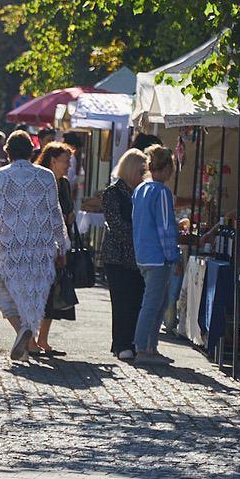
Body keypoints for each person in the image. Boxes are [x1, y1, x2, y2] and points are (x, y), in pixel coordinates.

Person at [0, 130, 69, 362]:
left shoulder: (1, 176)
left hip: (9, 246)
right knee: (32, 295)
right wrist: (61, 245)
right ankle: (27, 335)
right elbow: (54, 213)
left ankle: (23, 332)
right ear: (31, 152)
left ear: (8, 152)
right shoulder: (46, 176)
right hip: (39, 248)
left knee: (5, 296)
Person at [132, 144, 181, 367]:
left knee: (157, 303)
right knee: (153, 304)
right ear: (167, 167)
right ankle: (143, 347)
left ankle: (149, 346)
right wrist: (174, 256)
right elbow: (165, 229)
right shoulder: (161, 192)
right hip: (158, 256)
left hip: (143, 253)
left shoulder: (141, 189)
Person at [101, 149, 148, 361]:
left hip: (137, 257)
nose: (144, 174)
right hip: (117, 257)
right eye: (141, 170)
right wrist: (139, 235)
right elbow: (116, 224)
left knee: (136, 300)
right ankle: (121, 344)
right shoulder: (112, 192)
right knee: (121, 302)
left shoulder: (141, 192)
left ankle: (128, 341)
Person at [34, 140, 78, 357]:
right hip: (40, 244)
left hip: (59, 246)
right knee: (39, 292)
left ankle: (43, 340)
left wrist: (69, 218)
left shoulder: (64, 183)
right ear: (52, 160)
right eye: (65, 161)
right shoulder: (41, 180)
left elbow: (65, 210)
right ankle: (31, 339)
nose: (68, 165)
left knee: (53, 293)